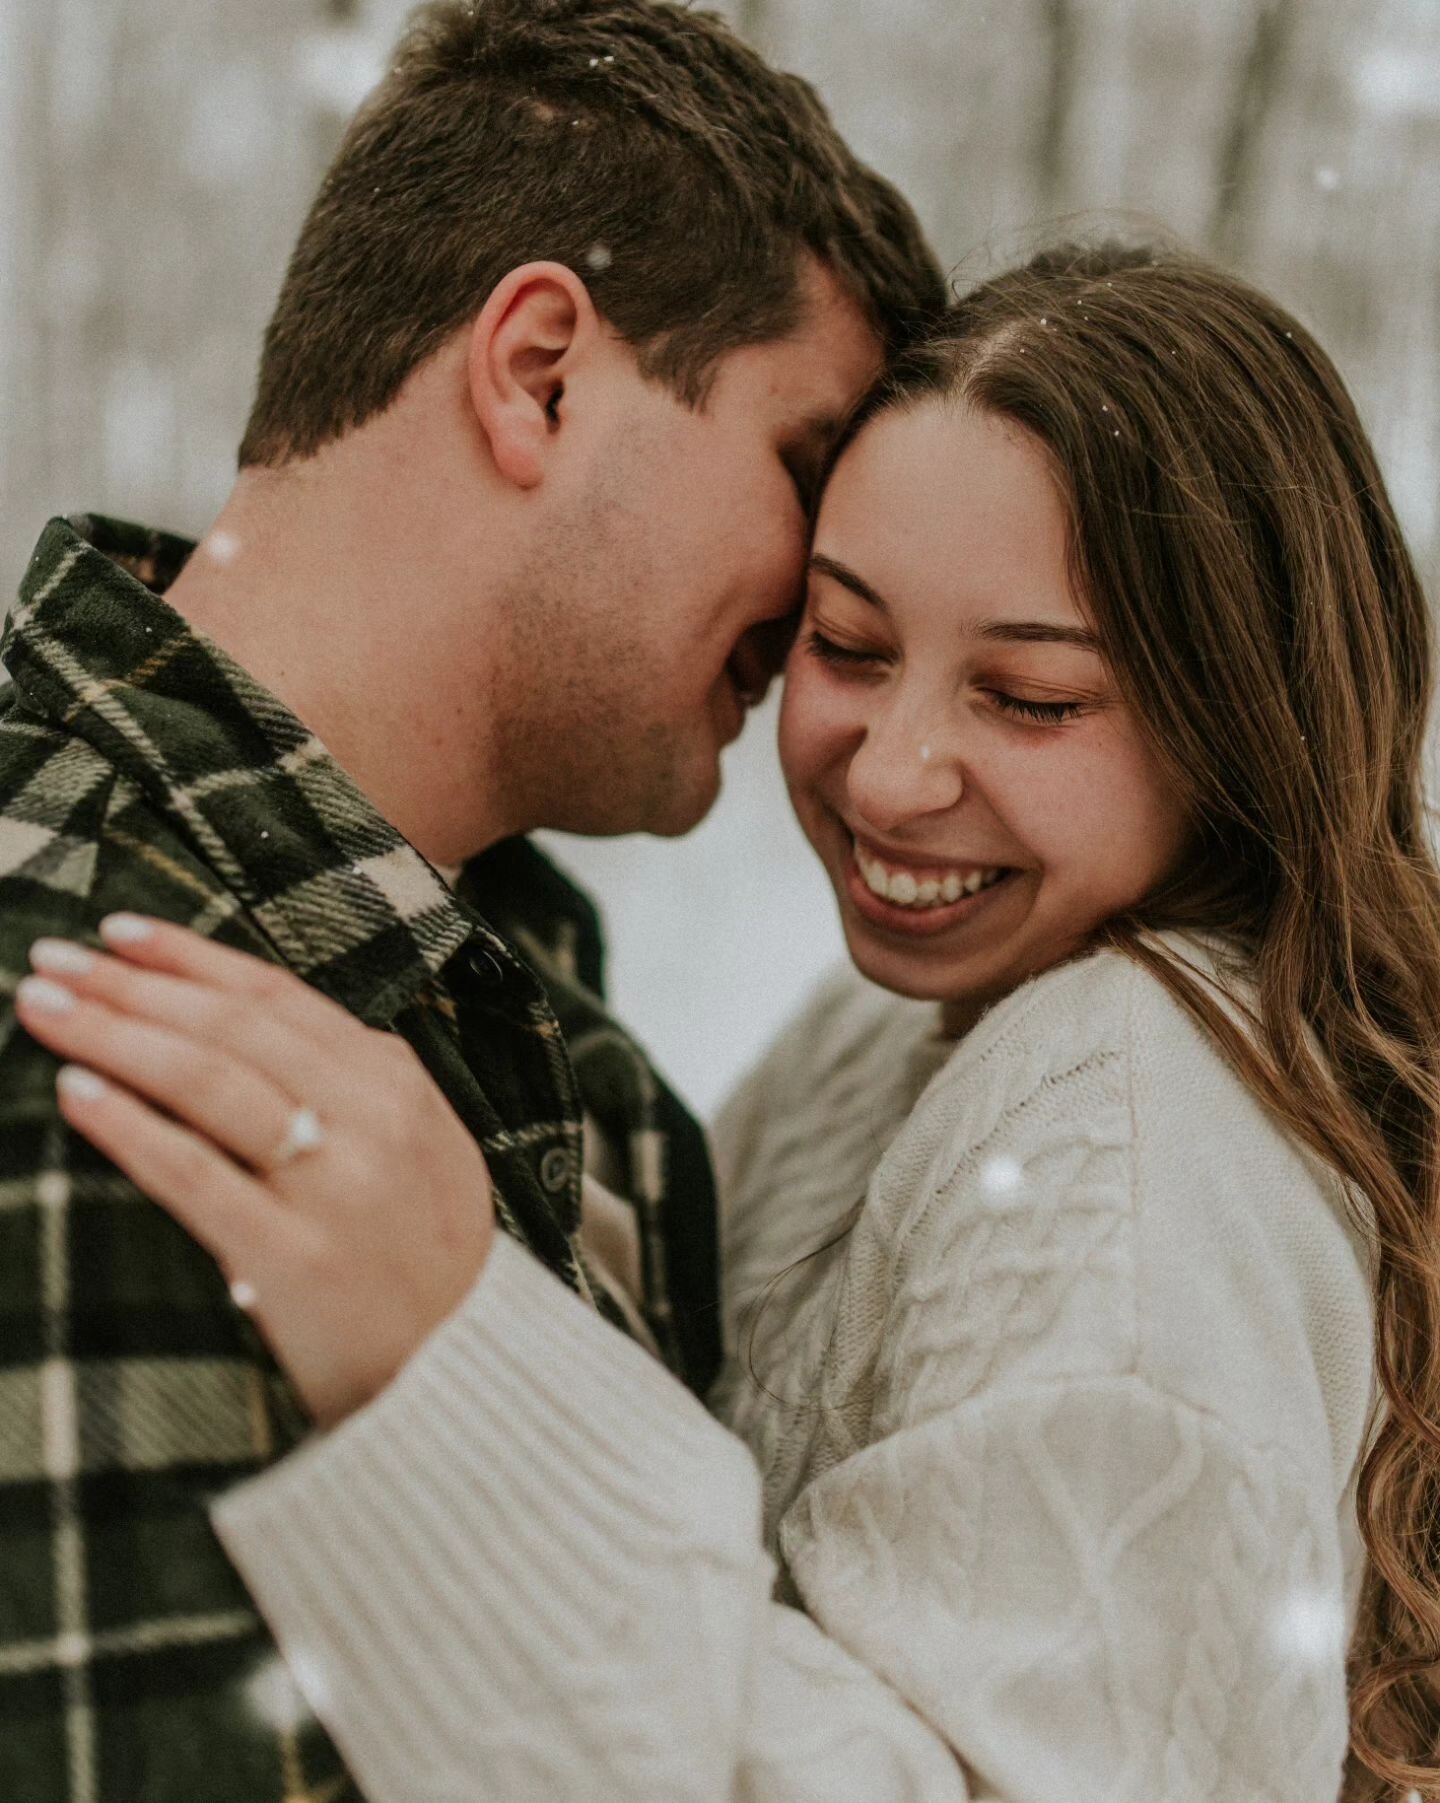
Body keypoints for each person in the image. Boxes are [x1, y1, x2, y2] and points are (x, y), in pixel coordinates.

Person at [19, 240, 1440, 1803]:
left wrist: (455, 1359)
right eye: (847, 644)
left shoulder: (1125, 1124)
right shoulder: (908, 1024)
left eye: (1028, 697)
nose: (890, 772)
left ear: (1244, 713)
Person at [0, 1, 945, 1795]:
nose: (836, 595)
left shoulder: (504, 999)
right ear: (540, 374)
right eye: (806, 472)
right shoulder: (104, 1042)